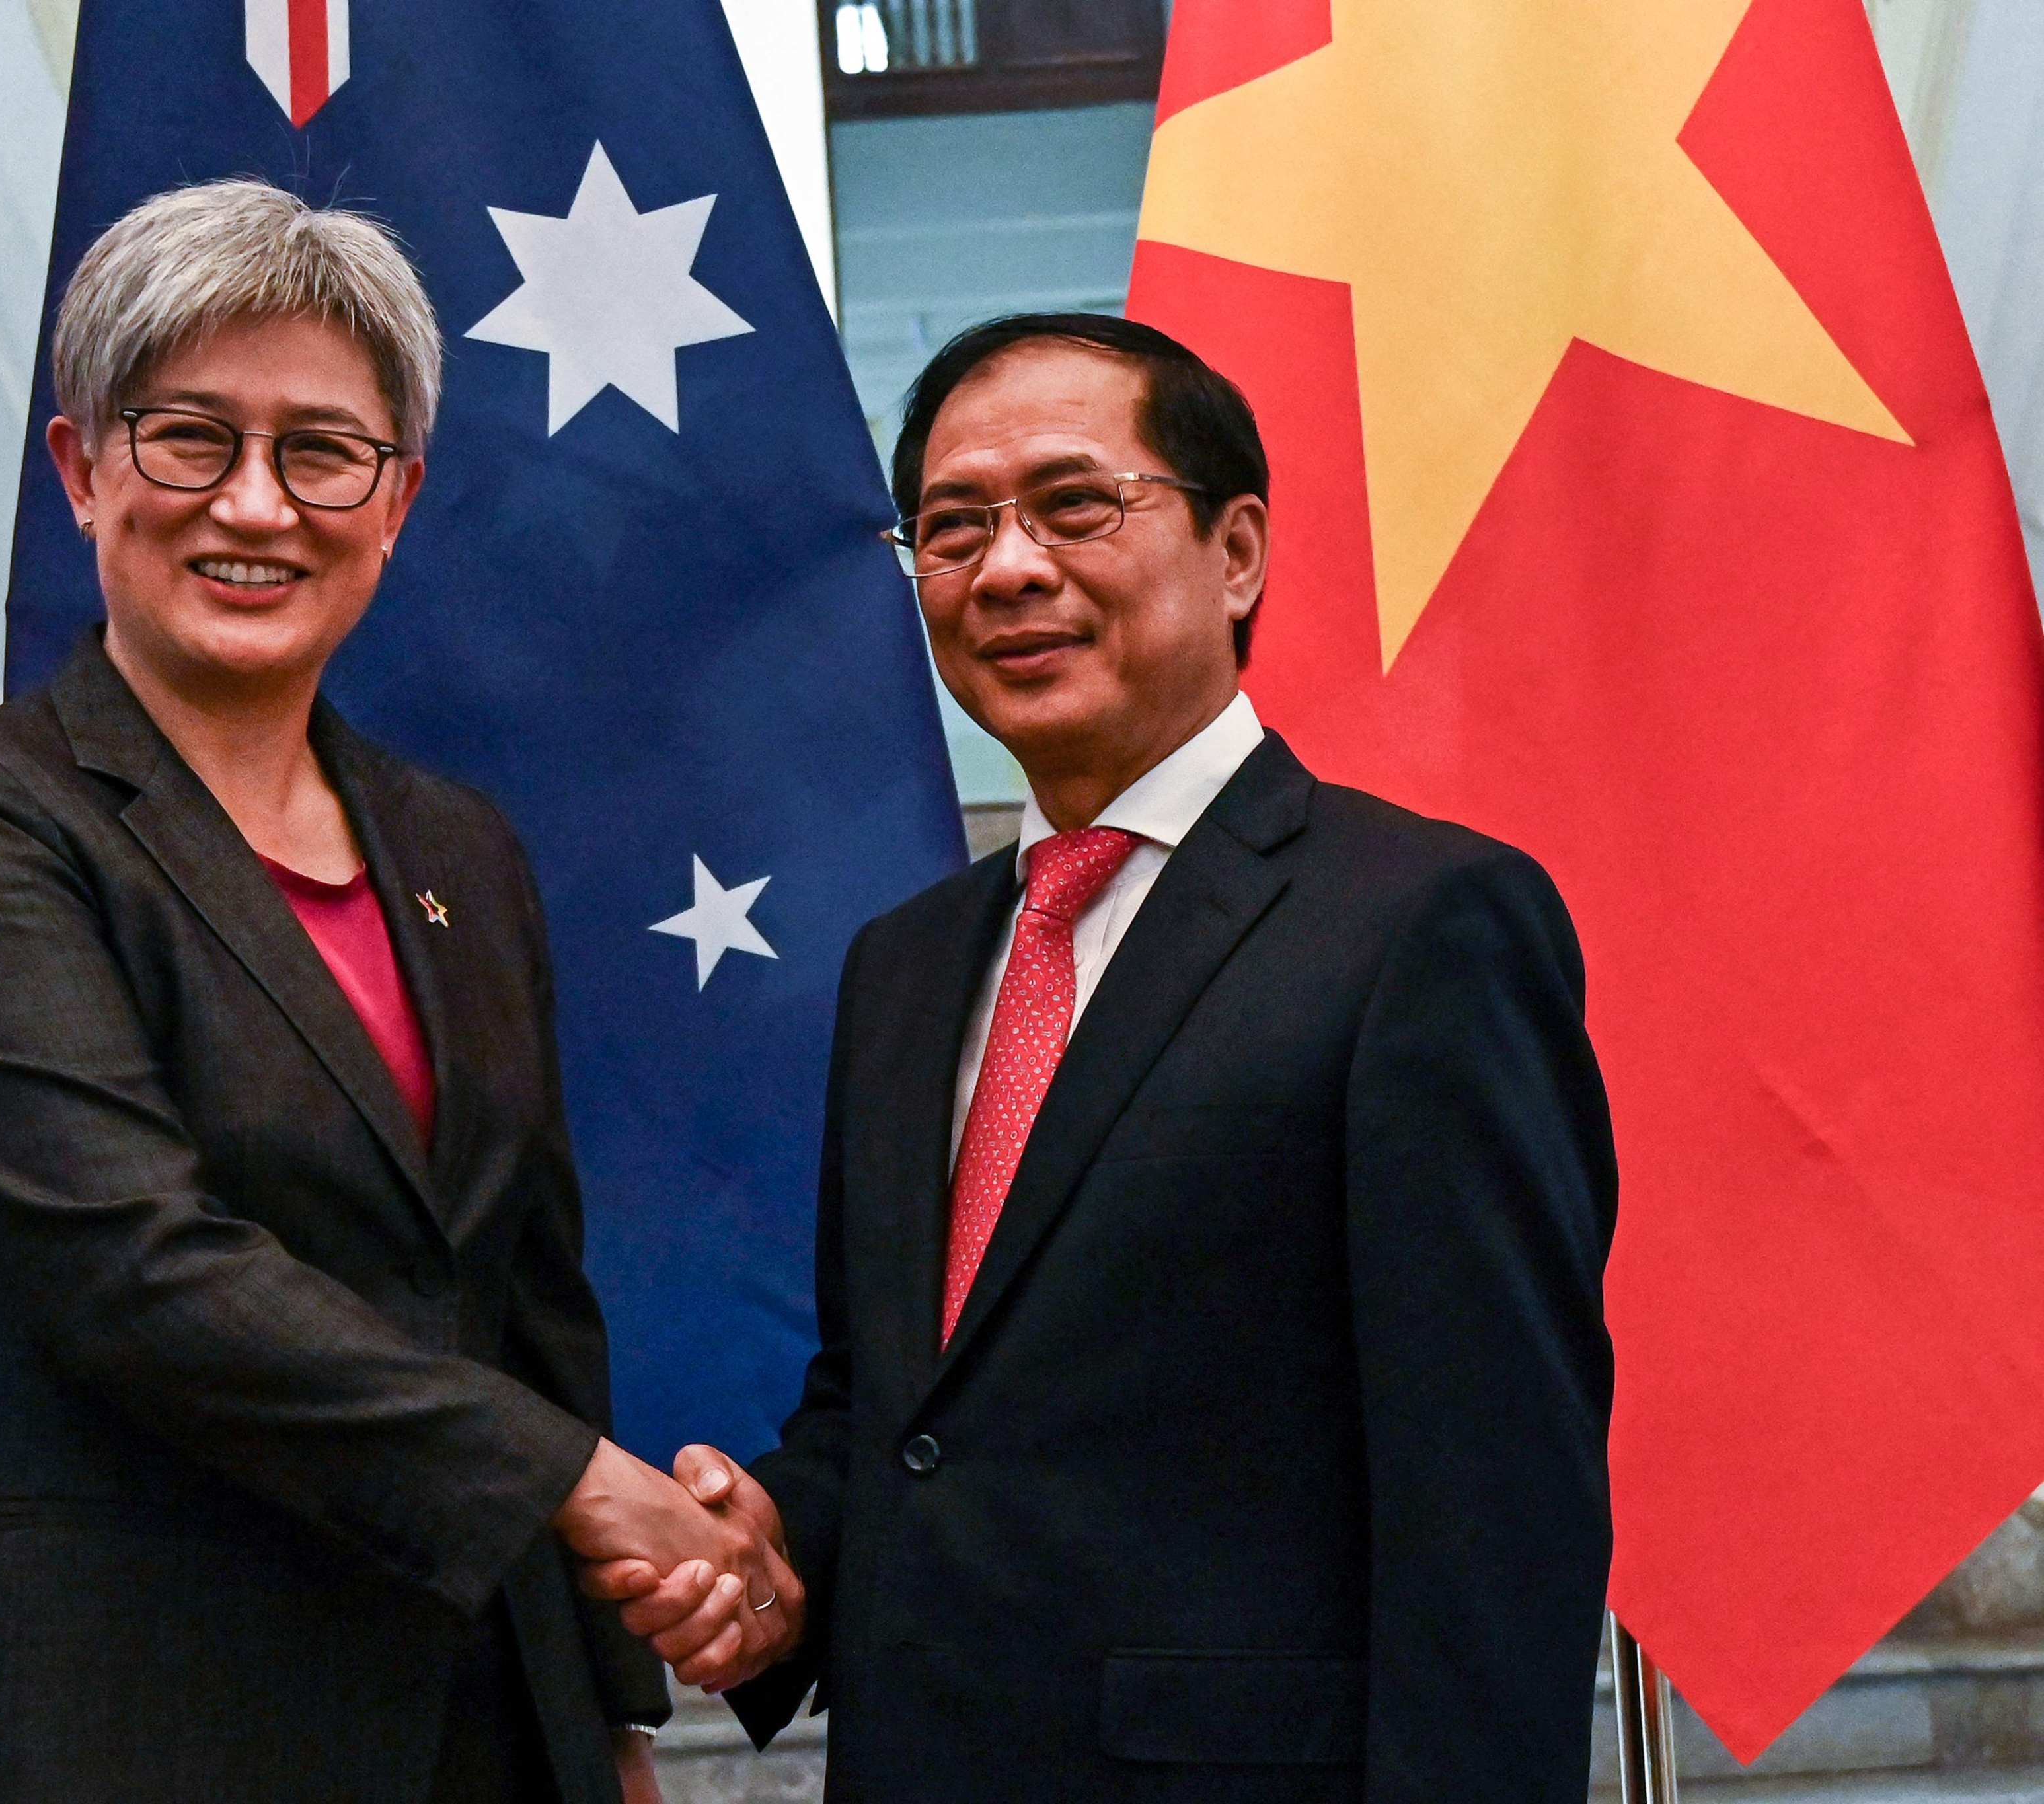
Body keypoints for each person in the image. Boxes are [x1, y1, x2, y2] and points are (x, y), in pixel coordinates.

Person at [0, 178, 780, 1804]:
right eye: (189, 436)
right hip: (112, 1728)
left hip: (475, 1726)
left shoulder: (457, 849)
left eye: (321, 451)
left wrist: (605, 1703)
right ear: (78, 470)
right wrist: (572, 1486)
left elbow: (528, 1297)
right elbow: (131, 1266)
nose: (255, 506)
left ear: (396, 499)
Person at [591, 313, 1618, 1801]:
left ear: (1236, 551)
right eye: (952, 530)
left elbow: (1492, 1511)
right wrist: (773, 1550)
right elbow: (895, 1409)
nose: (1006, 568)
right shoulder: (907, 964)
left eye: (1075, 506)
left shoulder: (1421, 927)